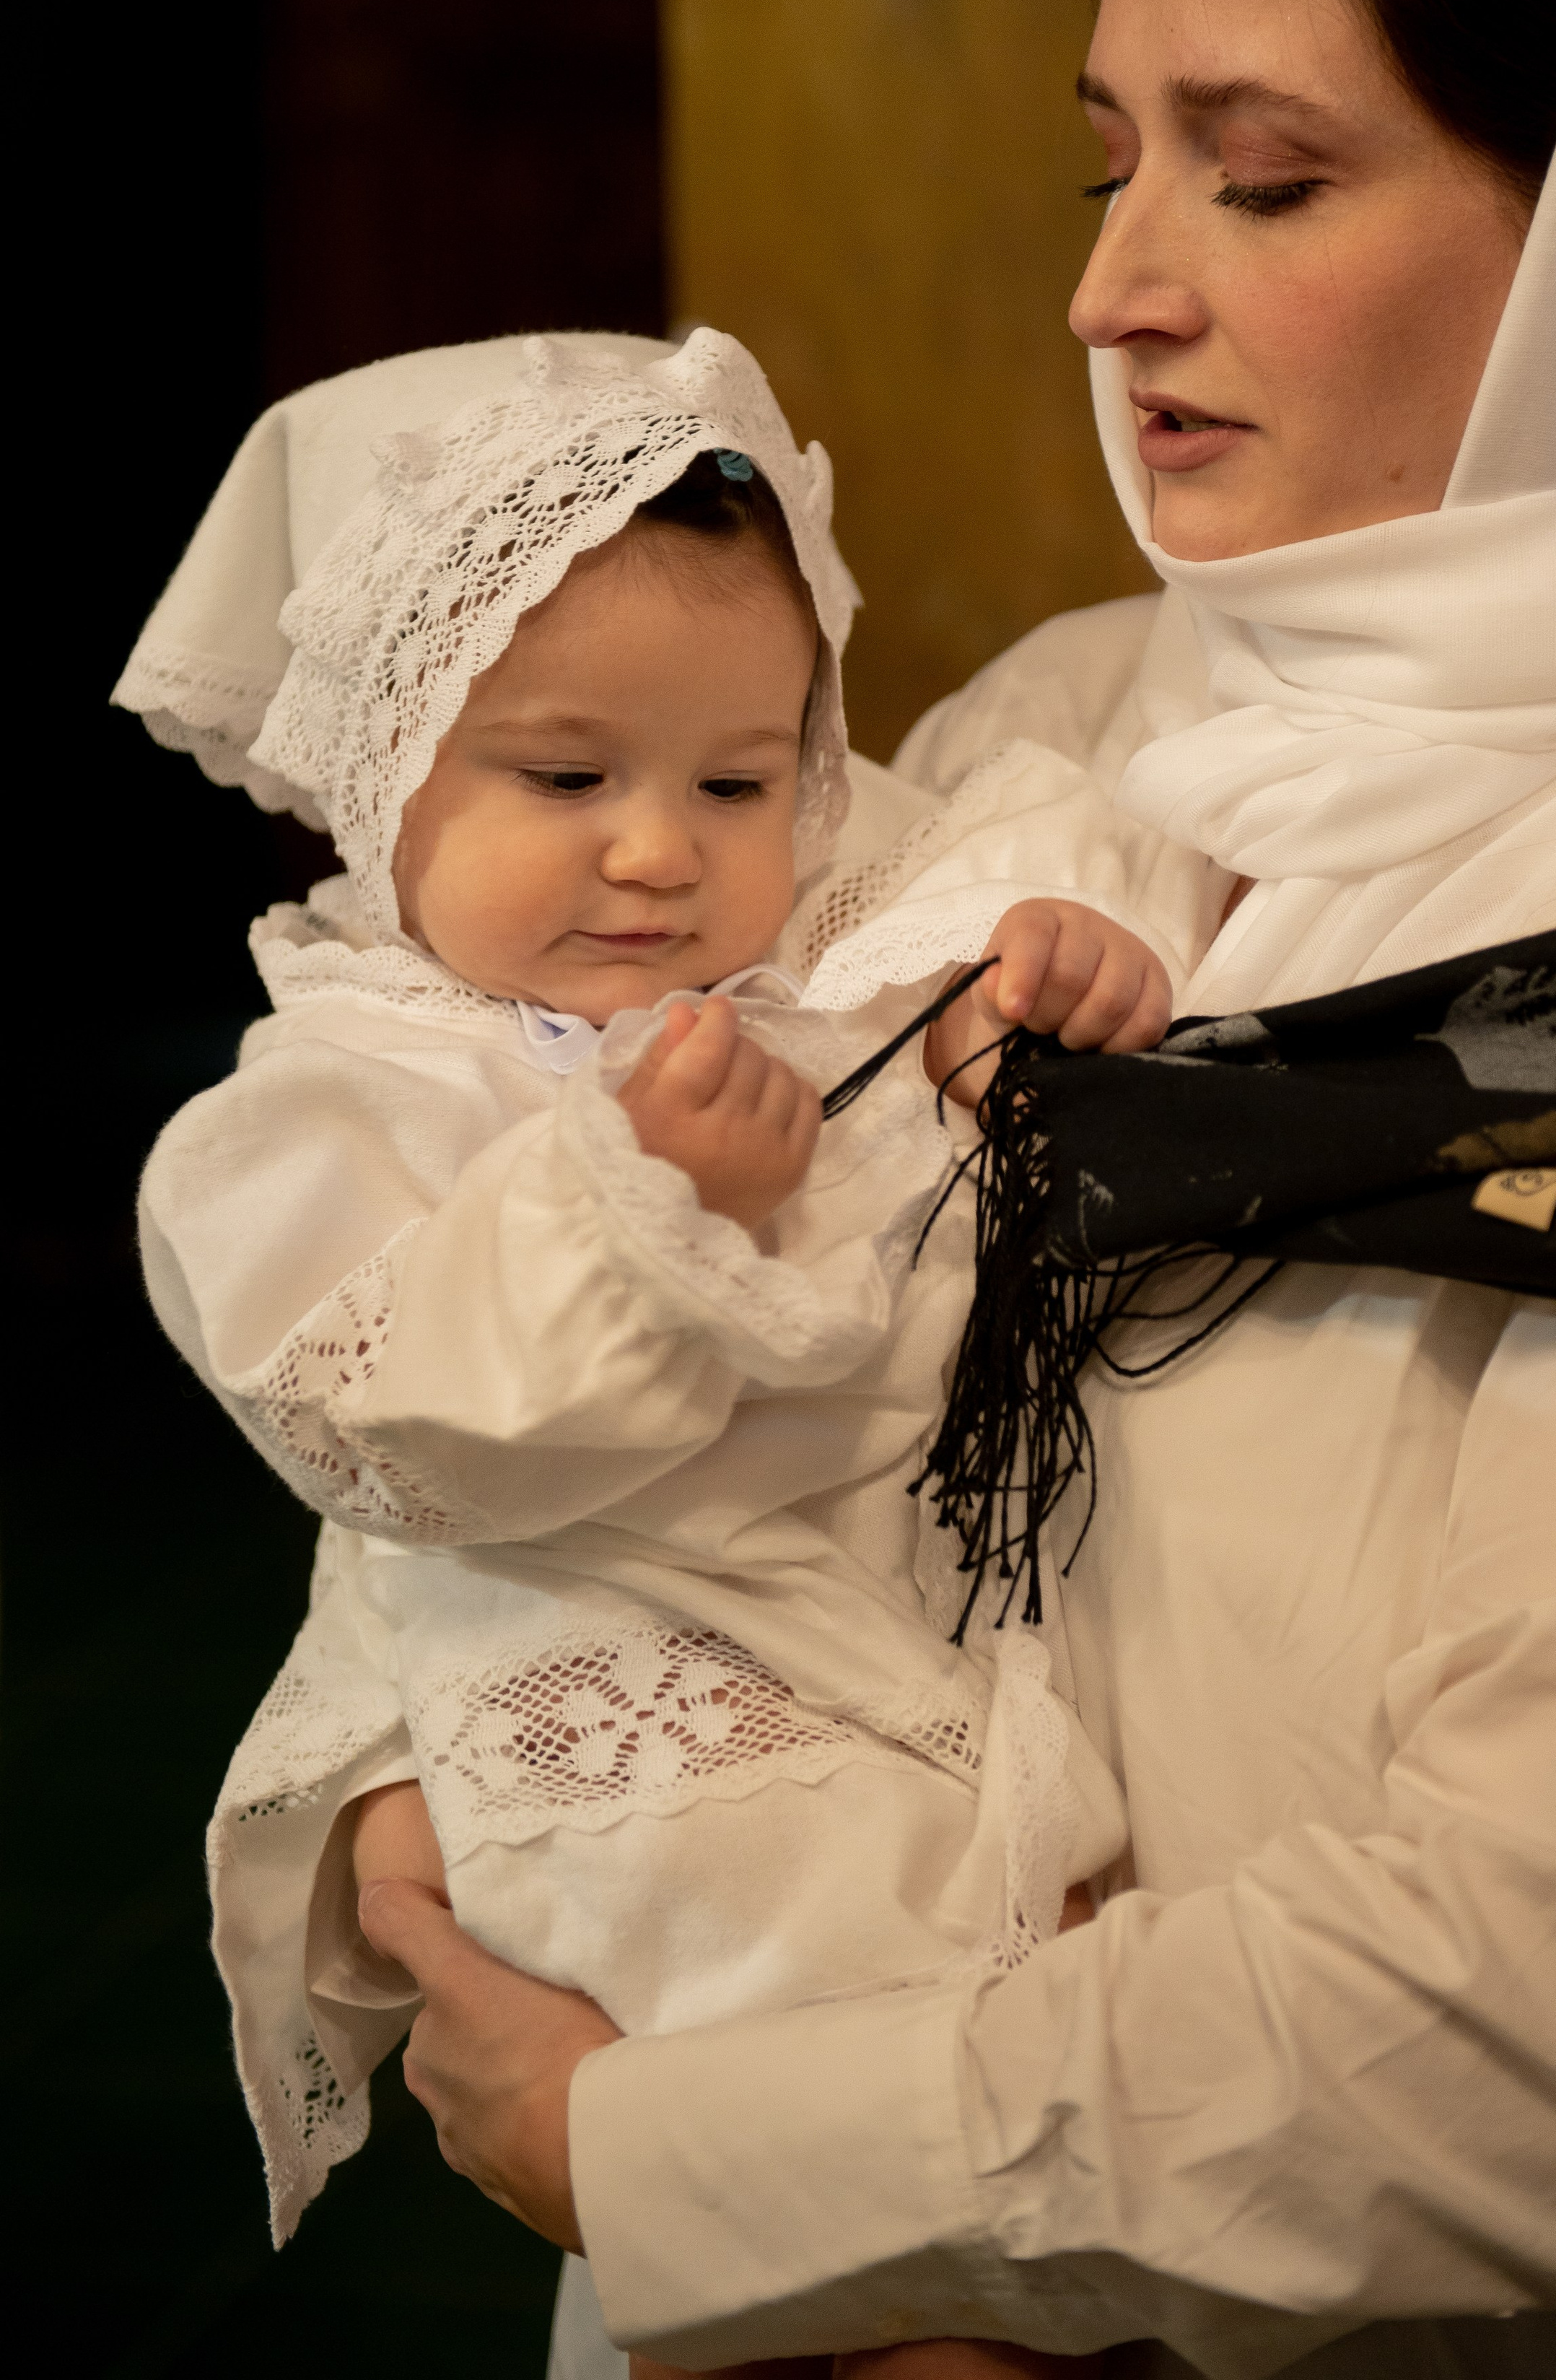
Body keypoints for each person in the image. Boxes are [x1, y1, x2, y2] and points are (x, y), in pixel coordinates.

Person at [262, 0, 1556, 2376]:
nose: (1114, 291)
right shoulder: (1077, 724)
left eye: (1262, 178)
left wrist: (656, 2145)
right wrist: (415, 1774)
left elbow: (1531, 2052)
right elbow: (569, 1240)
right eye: (1113, 160)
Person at [117, 326, 1218, 2298]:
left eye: (734, 773)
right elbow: (378, 1405)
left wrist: (1067, 939)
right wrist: (636, 1214)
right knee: (781, 2197)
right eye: (565, 773)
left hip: (947, 1678)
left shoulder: (811, 918)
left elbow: (1003, 831)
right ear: (378, 774)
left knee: (994, 2160)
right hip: (637, 1750)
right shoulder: (338, 1102)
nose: (658, 847)